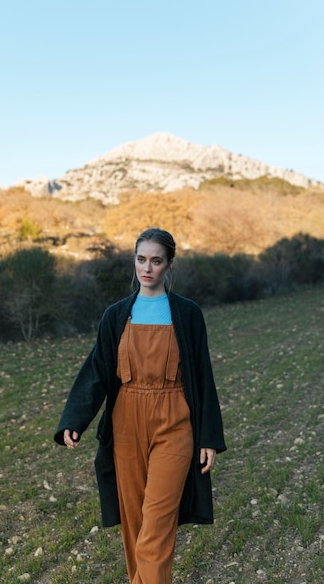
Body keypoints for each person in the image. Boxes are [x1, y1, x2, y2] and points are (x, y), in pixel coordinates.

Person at [54, 227, 226, 584]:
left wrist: (208, 437)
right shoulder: (116, 315)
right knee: (134, 525)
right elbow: (98, 369)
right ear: (134, 260)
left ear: (169, 265)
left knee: (156, 526)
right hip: (126, 423)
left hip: (174, 422)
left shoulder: (188, 314)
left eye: (156, 261)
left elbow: (203, 376)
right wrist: (74, 419)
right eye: (141, 259)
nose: (147, 268)